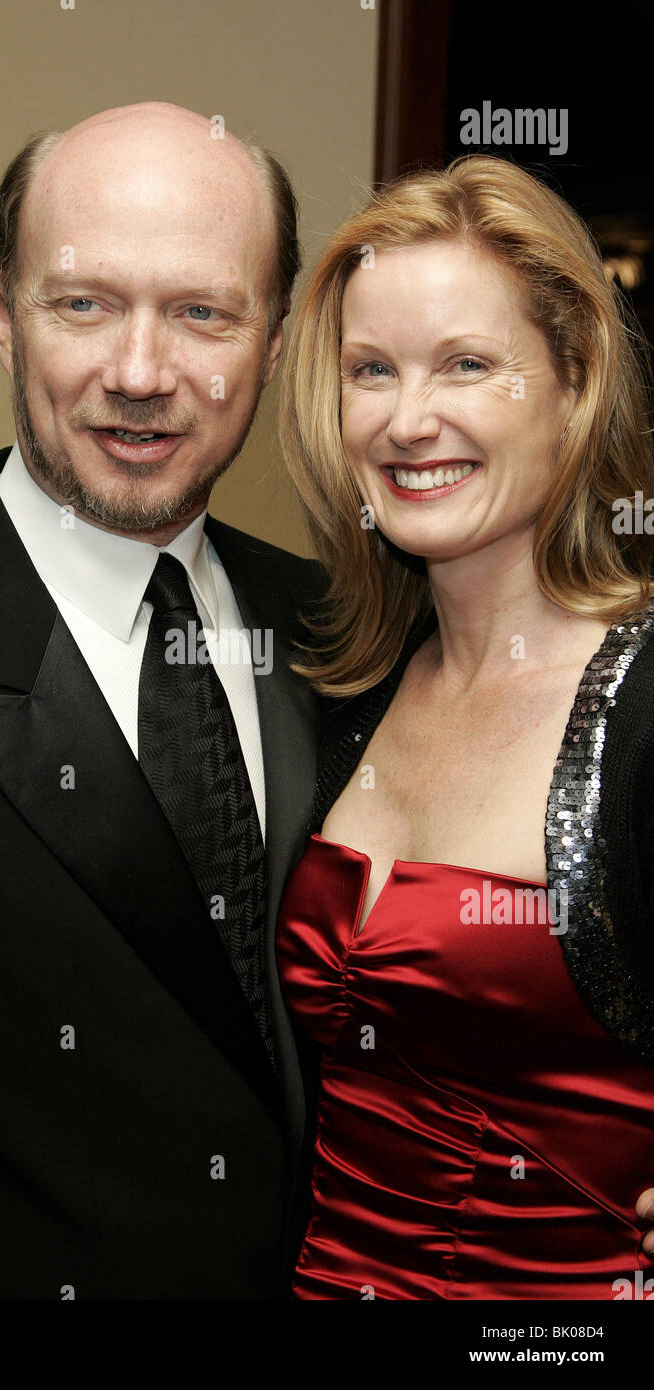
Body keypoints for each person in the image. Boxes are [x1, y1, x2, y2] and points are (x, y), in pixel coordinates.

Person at [0, 102, 324, 1299]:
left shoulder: (346, 633)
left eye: (201, 312)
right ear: (0, 315)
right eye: (82, 303)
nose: (139, 374)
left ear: (275, 339)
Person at [276, 154, 654, 1299]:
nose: (406, 419)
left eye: (467, 365)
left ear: (573, 381)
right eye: (369, 371)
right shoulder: (343, 692)